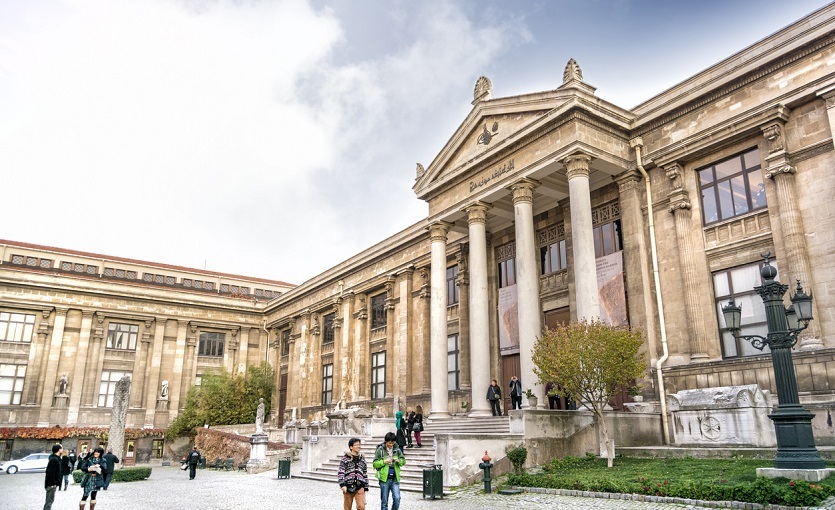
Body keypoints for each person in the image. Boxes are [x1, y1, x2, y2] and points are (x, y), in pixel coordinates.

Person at [372, 432, 405, 510]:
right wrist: (384, 462)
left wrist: (398, 461)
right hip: (384, 479)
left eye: (393, 443)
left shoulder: (397, 449)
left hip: (395, 478)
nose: (391, 445)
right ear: (386, 441)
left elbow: (403, 461)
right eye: (389, 443)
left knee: (397, 498)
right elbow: (374, 464)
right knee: (384, 502)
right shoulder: (380, 450)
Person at [338, 437, 368, 510]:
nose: (359, 446)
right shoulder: (345, 459)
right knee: (347, 507)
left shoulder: (362, 459)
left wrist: (366, 487)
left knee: (361, 507)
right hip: (348, 486)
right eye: (356, 445)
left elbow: (365, 473)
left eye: (359, 444)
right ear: (351, 447)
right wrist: (342, 484)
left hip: (360, 486)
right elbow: (341, 472)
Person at [44, 443, 62, 510]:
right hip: (51, 484)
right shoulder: (54, 459)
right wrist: (52, 483)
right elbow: (50, 473)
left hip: (53, 483)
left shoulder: (55, 458)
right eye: (61, 448)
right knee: (49, 501)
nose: (62, 449)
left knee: (50, 500)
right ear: (59, 450)